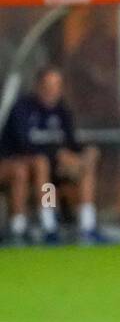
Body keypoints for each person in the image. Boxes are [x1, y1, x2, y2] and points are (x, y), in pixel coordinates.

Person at [0, 66, 101, 244]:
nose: (52, 91)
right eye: (48, 85)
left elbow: (71, 143)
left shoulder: (62, 112)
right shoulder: (22, 108)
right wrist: (57, 154)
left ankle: (88, 225)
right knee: (40, 163)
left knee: (86, 163)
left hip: (56, 166)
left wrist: (85, 153)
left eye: (56, 86)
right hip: (25, 165)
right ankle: (47, 224)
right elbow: (23, 145)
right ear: (38, 86)